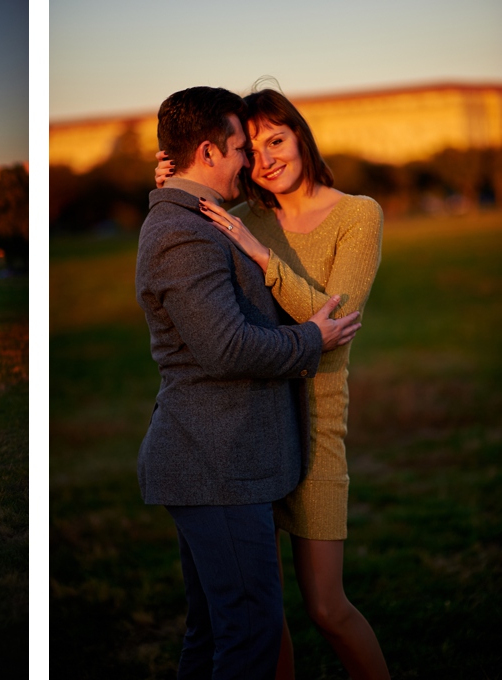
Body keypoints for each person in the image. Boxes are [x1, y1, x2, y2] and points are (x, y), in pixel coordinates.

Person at [156, 86, 389, 679]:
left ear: (301, 136)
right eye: (251, 148)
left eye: (276, 141)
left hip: (317, 423)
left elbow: (333, 323)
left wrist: (263, 257)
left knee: (327, 607)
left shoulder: (357, 214)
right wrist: (170, 187)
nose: (265, 160)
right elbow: (184, 248)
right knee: (266, 614)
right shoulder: (239, 218)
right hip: (254, 427)